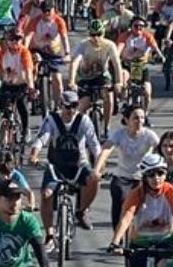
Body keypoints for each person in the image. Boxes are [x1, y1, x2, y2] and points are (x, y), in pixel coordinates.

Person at [30, 89, 104, 236]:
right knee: (46, 195)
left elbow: (95, 145)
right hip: (56, 166)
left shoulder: (84, 120)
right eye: (67, 106)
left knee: (94, 180)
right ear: (60, 105)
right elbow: (41, 138)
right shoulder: (52, 120)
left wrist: (99, 167)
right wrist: (34, 155)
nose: (71, 110)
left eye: (75, 106)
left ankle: (81, 211)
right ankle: (50, 234)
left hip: (79, 165)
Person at [97, 104, 160, 231]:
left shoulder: (149, 135)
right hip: (122, 176)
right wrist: (97, 169)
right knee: (118, 197)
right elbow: (106, 149)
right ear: (127, 120)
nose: (140, 121)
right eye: (136, 118)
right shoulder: (119, 134)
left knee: (145, 206)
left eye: (142, 118)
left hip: (142, 178)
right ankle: (117, 239)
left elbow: (161, 149)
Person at [70, 18, 124, 133]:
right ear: (89, 34)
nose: (96, 38)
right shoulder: (83, 45)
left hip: (102, 76)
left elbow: (116, 64)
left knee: (108, 96)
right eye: (93, 35)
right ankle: (80, 130)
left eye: (99, 34)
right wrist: (71, 81)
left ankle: (107, 127)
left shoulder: (110, 45)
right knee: (82, 105)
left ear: (103, 33)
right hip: (85, 77)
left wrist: (119, 82)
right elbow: (75, 62)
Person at [0, 28, 36, 139]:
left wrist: (31, 88)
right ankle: (5, 132)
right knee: (4, 109)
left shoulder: (24, 52)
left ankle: (25, 129)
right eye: (12, 39)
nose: (15, 42)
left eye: (18, 39)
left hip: (21, 85)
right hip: (7, 85)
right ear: (7, 40)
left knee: (22, 106)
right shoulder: (2, 53)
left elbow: (28, 72)